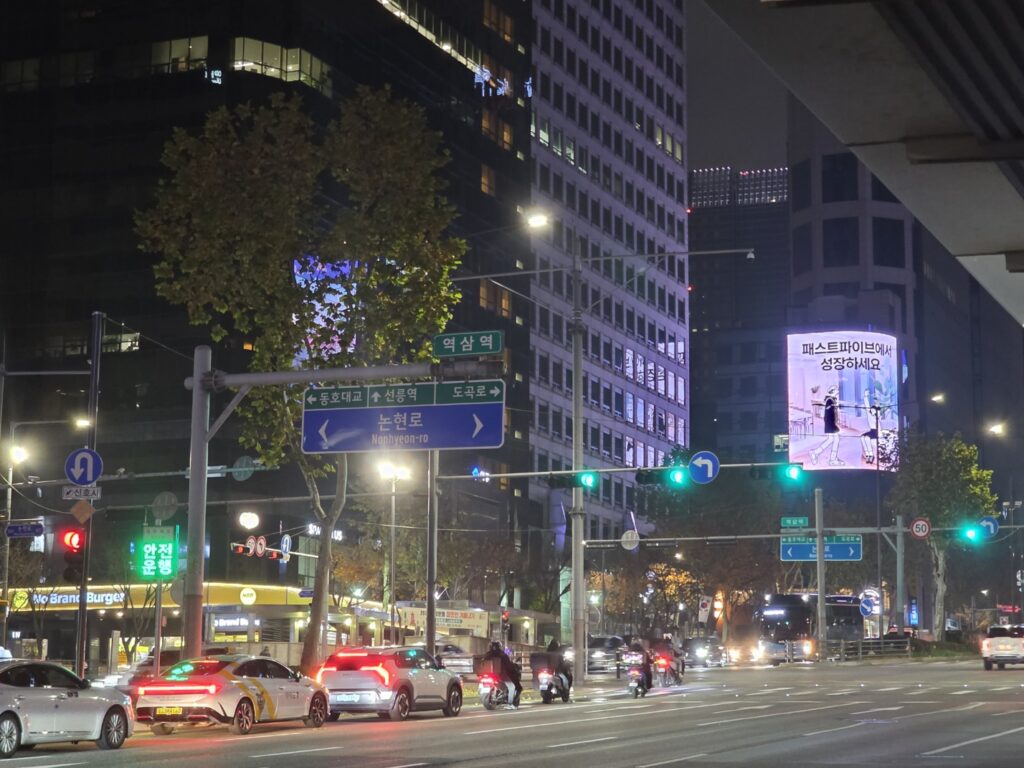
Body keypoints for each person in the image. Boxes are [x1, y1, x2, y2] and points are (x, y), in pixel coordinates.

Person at [809, 384, 843, 466]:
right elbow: (829, 413)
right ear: (833, 391)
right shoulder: (830, 400)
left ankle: (815, 453)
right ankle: (832, 459)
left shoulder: (830, 400)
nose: (838, 392)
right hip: (830, 423)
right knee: (835, 439)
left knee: (831, 440)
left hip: (830, 423)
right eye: (836, 390)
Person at [484, 641, 521, 708]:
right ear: (499, 647)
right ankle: (511, 704)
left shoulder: (487, 655)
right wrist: (514, 667)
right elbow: (509, 666)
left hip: (488, 674)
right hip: (501, 675)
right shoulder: (503, 655)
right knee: (512, 686)